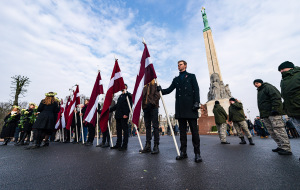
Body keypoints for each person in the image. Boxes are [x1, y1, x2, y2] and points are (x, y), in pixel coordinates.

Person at [157, 60, 202, 163]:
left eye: (180, 64)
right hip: (181, 108)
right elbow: (169, 89)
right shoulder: (176, 79)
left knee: (194, 132)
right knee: (182, 133)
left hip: (191, 108)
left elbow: (196, 89)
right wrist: (161, 90)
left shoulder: (191, 76)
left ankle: (197, 153)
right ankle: (183, 153)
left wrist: (196, 102)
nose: (179, 66)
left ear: (185, 66)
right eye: (178, 65)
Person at [253, 79, 292, 155]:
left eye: (257, 83)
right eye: (254, 84)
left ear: (261, 82)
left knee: (279, 130)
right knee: (272, 131)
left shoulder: (268, 87)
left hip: (273, 113)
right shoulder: (260, 91)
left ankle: (286, 148)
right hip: (266, 114)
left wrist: (275, 109)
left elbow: (276, 97)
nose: (255, 85)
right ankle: (280, 146)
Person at [140, 79, 160, 154]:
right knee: (147, 126)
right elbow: (141, 97)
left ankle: (156, 145)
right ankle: (148, 145)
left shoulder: (155, 85)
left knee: (155, 126)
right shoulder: (144, 87)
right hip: (146, 108)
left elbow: (157, 96)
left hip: (153, 107)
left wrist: (152, 103)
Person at [110, 84, 132, 151]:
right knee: (118, 131)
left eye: (124, 86)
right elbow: (117, 105)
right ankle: (118, 144)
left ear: (126, 87)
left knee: (125, 131)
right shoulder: (120, 96)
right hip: (118, 116)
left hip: (124, 116)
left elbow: (130, 105)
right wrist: (109, 109)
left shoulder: (128, 95)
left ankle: (124, 145)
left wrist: (126, 114)